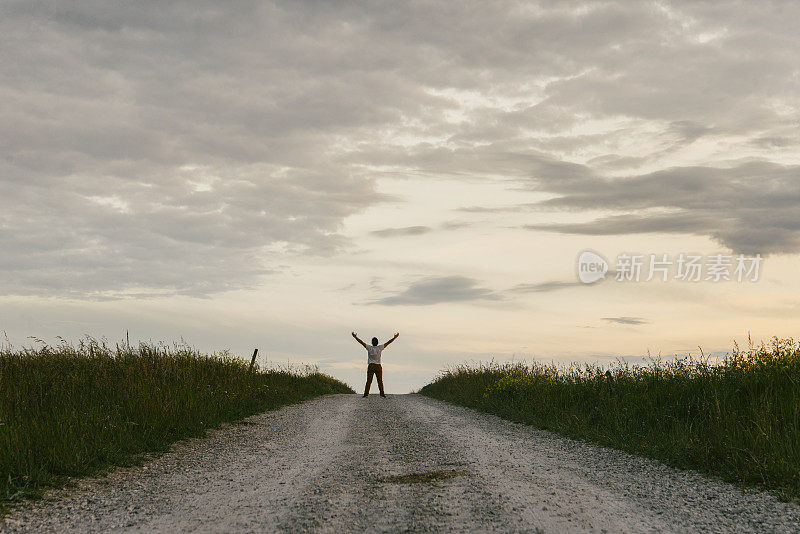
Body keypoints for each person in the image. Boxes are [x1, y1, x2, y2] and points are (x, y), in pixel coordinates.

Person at [351, 331, 399, 398]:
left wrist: (355, 337)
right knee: (380, 381)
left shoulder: (369, 348)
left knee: (369, 381)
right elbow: (388, 342)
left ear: (372, 343)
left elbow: (361, 342)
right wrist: (395, 337)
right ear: (377, 343)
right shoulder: (380, 347)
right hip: (378, 366)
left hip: (371, 366)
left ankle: (366, 394)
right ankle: (382, 394)